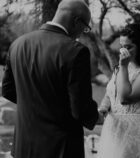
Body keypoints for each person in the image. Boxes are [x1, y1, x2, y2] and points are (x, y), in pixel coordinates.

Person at [1, 0, 99, 157]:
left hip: (23, 147)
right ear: (76, 21)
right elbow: (80, 109)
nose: (82, 32)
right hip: (60, 149)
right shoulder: (76, 51)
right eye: (85, 27)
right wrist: (96, 117)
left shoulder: (18, 44)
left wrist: (40, 106)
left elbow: (7, 91)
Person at [97, 23, 140, 158]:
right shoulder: (121, 69)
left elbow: (125, 98)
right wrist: (103, 108)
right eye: (121, 47)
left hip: (134, 133)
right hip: (112, 130)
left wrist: (123, 67)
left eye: (128, 47)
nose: (123, 51)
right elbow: (110, 93)